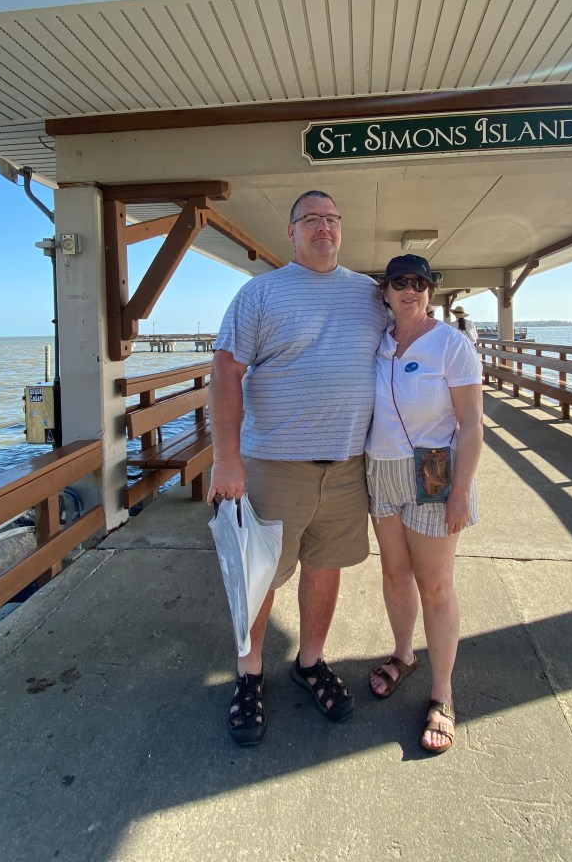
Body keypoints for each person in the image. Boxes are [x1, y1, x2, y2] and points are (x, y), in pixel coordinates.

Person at [207, 190, 388, 746]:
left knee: (325, 567)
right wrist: (225, 458)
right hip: (273, 466)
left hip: (347, 466)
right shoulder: (260, 294)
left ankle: (310, 663)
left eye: (333, 219)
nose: (325, 228)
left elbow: (411, 343)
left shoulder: (369, 295)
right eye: (312, 219)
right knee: (257, 576)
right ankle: (249, 674)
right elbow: (225, 370)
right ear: (291, 231)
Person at [364, 255, 483, 753]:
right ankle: (402, 655)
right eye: (400, 282)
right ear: (386, 292)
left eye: (420, 282)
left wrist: (460, 492)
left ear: (430, 291)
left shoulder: (452, 345)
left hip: (434, 471)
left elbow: (473, 424)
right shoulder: (379, 341)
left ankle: (442, 693)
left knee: (436, 586)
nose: (410, 290)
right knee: (394, 574)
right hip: (380, 468)